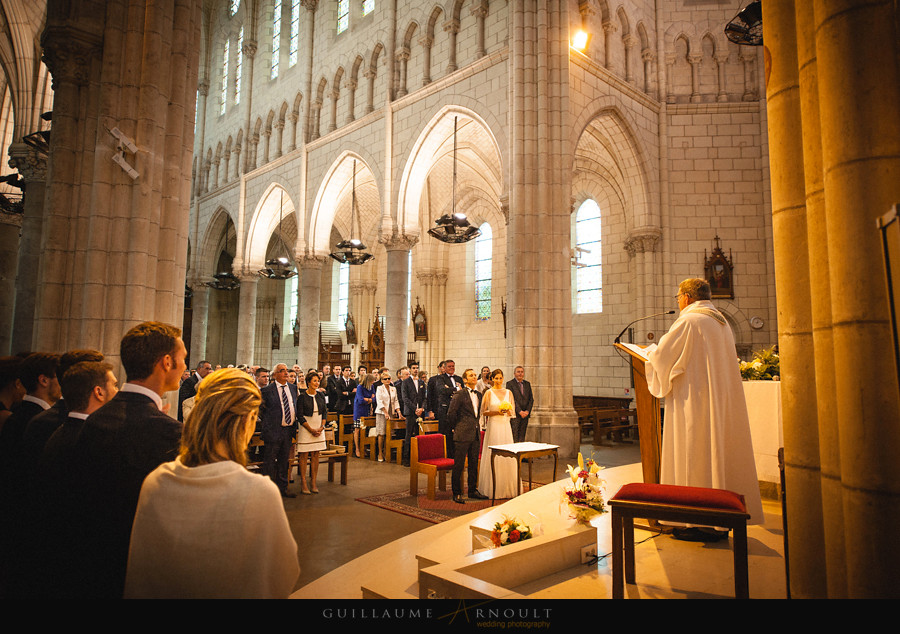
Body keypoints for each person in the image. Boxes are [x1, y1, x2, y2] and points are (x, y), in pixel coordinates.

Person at [124, 368, 299, 598]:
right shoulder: (258, 491)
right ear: (246, 420)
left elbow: (140, 572)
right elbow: (283, 574)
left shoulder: (156, 481)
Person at [65, 321, 185, 598]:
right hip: (142, 572)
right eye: (182, 359)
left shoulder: (94, 420)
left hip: (88, 565)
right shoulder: (169, 433)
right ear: (166, 362)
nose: (183, 367)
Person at [645, 278, 764, 540]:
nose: (677, 301)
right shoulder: (719, 321)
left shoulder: (690, 321)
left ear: (687, 296)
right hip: (715, 404)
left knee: (694, 457)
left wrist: (649, 353)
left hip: (694, 405)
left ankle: (695, 522)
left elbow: (663, 357)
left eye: (678, 296)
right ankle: (716, 518)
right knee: (713, 459)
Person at [29, 360, 119, 597]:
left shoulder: (64, 430)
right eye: (115, 385)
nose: (118, 392)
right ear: (98, 392)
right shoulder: (87, 440)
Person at [446, 369, 489, 504]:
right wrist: (456, 428)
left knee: (473, 463)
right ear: (465, 380)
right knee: (459, 465)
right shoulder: (459, 394)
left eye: (475, 375)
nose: (474, 377)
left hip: (475, 433)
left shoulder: (479, 394)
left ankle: (472, 490)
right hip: (462, 433)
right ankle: (457, 492)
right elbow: (451, 413)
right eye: (471, 375)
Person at [476, 369, 520, 499]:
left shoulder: (508, 392)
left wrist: (506, 411)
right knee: (494, 452)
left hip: (505, 426)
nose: (499, 381)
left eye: (501, 378)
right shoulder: (488, 393)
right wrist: (496, 412)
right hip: (494, 425)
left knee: (508, 453)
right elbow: (483, 412)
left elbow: (512, 411)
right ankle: (492, 487)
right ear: (492, 379)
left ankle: (508, 486)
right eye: (496, 378)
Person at [259, 363, 300, 498]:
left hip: (287, 431)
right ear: (275, 375)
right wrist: (271, 422)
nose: (286, 373)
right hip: (273, 431)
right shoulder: (267, 390)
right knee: (270, 462)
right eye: (282, 371)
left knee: (284, 461)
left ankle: (283, 489)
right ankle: (268, 490)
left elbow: (293, 406)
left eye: (286, 371)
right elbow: (261, 410)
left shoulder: (293, 388)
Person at [296, 371, 328, 494]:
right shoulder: (302, 397)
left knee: (316, 455)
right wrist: (310, 429)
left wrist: (321, 427)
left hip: (319, 426)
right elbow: (299, 415)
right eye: (314, 381)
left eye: (318, 381)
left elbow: (324, 411)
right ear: (309, 382)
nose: (317, 383)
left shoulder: (320, 395)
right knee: (304, 455)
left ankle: (313, 481)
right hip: (306, 427)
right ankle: (303, 482)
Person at [427, 359, 463, 458]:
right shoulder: (440, 378)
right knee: (445, 434)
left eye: (453, 366)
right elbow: (442, 390)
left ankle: (454, 457)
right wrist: (456, 389)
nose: (451, 368)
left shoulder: (458, 379)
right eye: (449, 366)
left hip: (457, 410)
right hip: (445, 410)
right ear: (445, 368)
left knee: (455, 434)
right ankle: (445, 456)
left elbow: (463, 392)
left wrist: (450, 390)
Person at [401, 362, 427, 467]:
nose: (416, 370)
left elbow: (425, 397)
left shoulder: (421, 382)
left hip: (420, 412)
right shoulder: (406, 382)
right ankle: (406, 458)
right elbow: (405, 398)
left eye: (417, 368)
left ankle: (418, 457)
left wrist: (422, 408)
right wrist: (415, 409)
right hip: (410, 412)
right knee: (408, 435)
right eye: (413, 368)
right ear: (410, 370)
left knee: (419, 435)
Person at [374, 368, 401, 462]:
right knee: (381, 433)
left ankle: (386, 451)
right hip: (381, 413)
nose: (387, 380)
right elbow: (379, 401)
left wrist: (399, 412)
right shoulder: (379, 388)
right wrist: (385, 413)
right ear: (381, 380)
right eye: (385, 379)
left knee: (389, 433)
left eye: (389, 378)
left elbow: (396, 401)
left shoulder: (393, 388)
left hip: (391, 412)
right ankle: (380, 453)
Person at [507, 365, 534, 443]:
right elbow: (512, 399)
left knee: (522, 436)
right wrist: (519, 411)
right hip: (515, 414)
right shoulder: (510, 384)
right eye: (518, 372)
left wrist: (527, 411)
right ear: (514, 373)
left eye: (522, 372)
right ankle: (515, 454)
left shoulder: (527, 384)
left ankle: (521, 453)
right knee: (515, 435)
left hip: (525, 415)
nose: (520, 374)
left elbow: (531, 399)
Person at [353, 371, 376, 458]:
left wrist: (368, 400)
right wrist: (369, 399)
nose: (373, 382)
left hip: (367, 409)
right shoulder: (360, 387)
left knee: (366, 430)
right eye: (372, 381)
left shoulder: (372, 387)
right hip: (359, 410)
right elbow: (360, 399)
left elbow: (374, 399)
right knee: (357, 429)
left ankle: (364, 447)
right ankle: (357, 448)